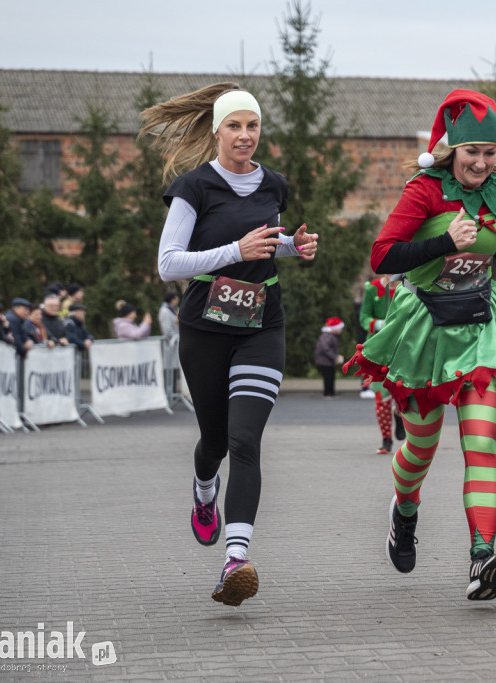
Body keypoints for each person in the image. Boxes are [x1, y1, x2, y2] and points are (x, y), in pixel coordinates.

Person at [343, 88, 496, 601]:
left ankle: (481, 559)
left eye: (490, 153)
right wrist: (444, 243)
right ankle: (404, 511)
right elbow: (384, 256)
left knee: (482, 443)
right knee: (421, 449)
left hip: (480, 324)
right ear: (452, 150)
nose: (480, 162)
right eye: (471, 152)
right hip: (426, 326)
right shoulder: (423, 190)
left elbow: (491, 234)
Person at [144, 82, 318, 606]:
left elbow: (263, 247)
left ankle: (235, 560)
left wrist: (293, 246)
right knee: (215, 442)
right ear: (217, 130)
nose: (245, 135)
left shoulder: (274, 186)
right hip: (204, 325)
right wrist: (232, 249)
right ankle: (203, 489)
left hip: (263, 323)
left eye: (253, 125)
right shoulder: (193, 187)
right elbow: (168, 264)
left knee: (245, 440)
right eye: (235, 126)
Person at [358, 274, 405, 453]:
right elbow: (364, 317)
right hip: (378, 350)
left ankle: (399, 415)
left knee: (402, 392)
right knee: (381, 396)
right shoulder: (372, 288)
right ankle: (386, 439)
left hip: (401, 348)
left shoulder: (409, 287)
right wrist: (380, 325)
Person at [313, 317, 345, 398]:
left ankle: (331, 391)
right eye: (340, 328)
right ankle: (327, 392)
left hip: (329, 360)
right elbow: (325, 348)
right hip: (325, 360)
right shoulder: (327, 335)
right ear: (335, 328)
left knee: (331, 376)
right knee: (328, 376)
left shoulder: (331, 335)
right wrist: (335, 357)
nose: (341, 330)